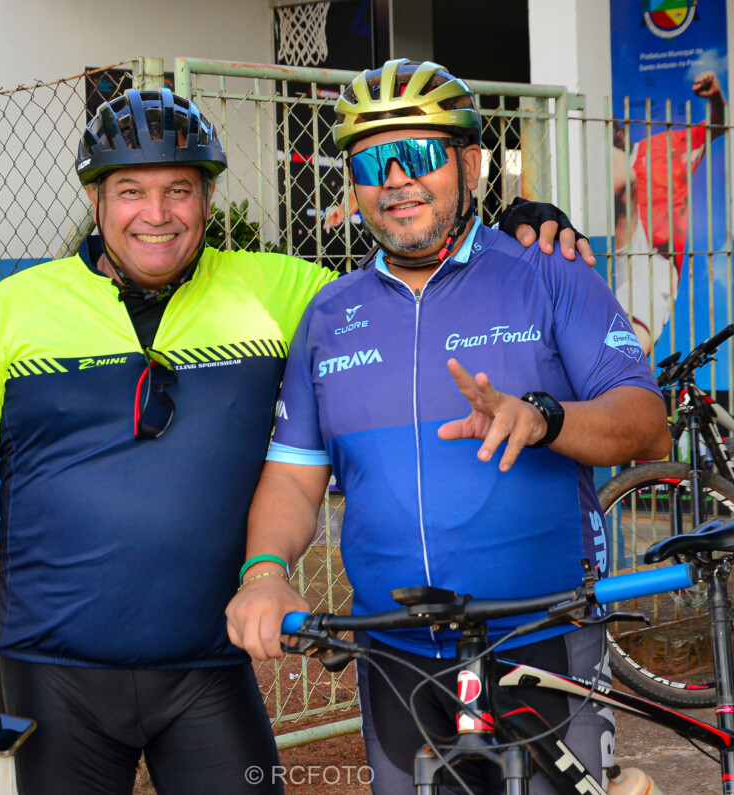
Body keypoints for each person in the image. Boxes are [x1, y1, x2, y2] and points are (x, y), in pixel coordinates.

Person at [0, 86, 589, 794]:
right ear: (96, 201)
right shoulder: (10, 311)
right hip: (53, 674)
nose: (157, 214)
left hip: (208, 671)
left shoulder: (276, 289)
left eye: (179, 190)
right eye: (131, 191)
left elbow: (399, 296)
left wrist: (508, 234)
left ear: (207, 199)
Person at [226, 59, 671, 794]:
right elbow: (294, 479)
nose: (397, 179)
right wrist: (266, 573)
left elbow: (648, 424)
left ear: (469, 164)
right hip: (394, 653)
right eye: (372, 163)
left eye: (419, 154)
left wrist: (544, 418)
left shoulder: (549, 273)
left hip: (542, 632)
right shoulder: (330, 315)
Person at [612, 70, 727, 355]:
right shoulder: (604, 166)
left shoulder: (665, 148)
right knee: (614, 337)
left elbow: (717, 125)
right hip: (619, 248)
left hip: (657, 254)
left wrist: (715, 97)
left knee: (631, 348)